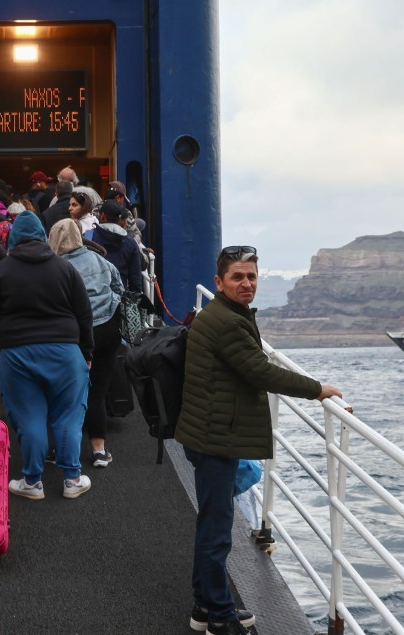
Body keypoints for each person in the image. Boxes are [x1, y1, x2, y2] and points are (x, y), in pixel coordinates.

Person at [175, 245, 343, 635]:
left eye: (251, 276)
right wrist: (317, 389)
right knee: (216, 530)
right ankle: (218, 615)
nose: (246, 283)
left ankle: (206, 606)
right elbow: (260, 371)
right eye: (237, 276)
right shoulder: (227, 322)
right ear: (219, 282)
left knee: (212, 523)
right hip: (215, 437)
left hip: (209, 430)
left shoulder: (224, 314)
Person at [0, 210, 94, 500]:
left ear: (13, 239)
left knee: (29, 416)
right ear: (43, 237)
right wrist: (86, 352)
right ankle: (72, 479)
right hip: (65, 350)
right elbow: (84, 314)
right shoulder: (65, 269)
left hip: (17, 353)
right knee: (69, 416)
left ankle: (32, 482)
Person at [48, 219, 123, 468]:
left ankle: (58, 449)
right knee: (98, 392)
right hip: (108, 330)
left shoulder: (58, 267)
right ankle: (99, 451)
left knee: (65, 392)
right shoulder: (100, 259)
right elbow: (119, 287)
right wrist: (107, 306)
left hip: (76, 335)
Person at [86, 200, 144, 293]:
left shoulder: (88, 238)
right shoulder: (131, 243)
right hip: (119, 300)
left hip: (93, 299)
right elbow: (135, 282)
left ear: (102, 216)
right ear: (119, 218)